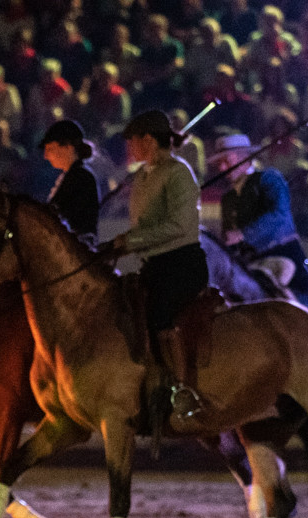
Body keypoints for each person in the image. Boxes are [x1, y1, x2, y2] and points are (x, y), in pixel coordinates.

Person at [100, 109, 209, 420]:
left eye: (132, 142)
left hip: (181, 264)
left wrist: (129, 241)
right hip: (153, 264)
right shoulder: (143, 175)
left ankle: (181, 387)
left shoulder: (178, 173)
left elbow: (178, 225)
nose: (128, 149)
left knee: (159, 313)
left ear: (147, 140)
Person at [208, 133, 308, 326]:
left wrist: (244, 234)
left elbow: (278, 216)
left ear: (243, 157)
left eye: (226, 161)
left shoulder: (269, 179)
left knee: (306, 295)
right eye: (219, 163)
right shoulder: (228, 198)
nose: (222, 168)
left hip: (282, 252)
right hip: (248, 262)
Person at [39, 118, 99, 243]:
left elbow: (57, 213)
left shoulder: (80, 177)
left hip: (75, 252)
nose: (45, 156)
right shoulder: (73, 175)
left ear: (68, 147)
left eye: (50, 149)